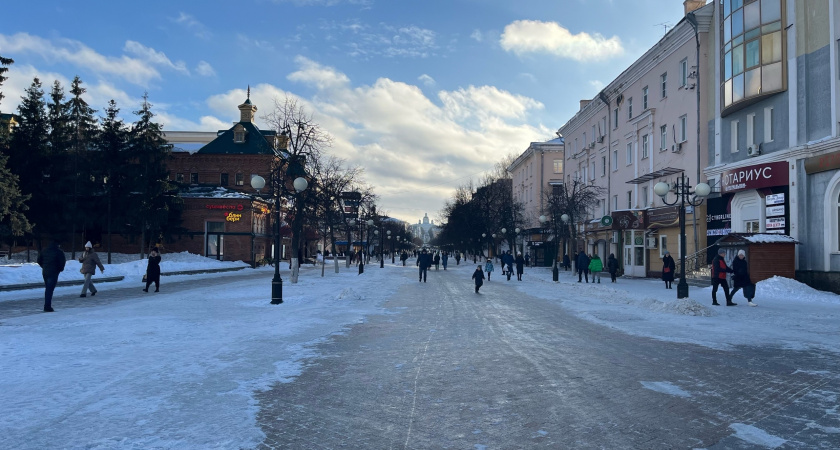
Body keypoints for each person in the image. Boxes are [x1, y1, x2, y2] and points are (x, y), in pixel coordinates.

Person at [37, 239, 66, 312]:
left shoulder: (44, 250)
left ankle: (47, 305)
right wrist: (59, 269)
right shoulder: (59, 252)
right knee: (49, 289)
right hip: (53, 272)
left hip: (45, 272)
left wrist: (44, 266)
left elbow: (39, 260)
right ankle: (47, 306)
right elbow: (62, 262)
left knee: (48, 288)